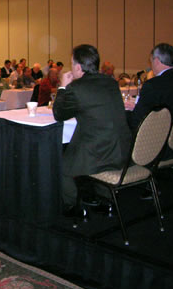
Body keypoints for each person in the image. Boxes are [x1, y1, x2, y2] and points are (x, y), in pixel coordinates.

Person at [53, 44, 131, 218]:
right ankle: (105, 200)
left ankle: (72, 207)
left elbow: (59, 114)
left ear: (78, 67)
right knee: (86, 142)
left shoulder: (77, 88)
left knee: (61, 166)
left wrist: (63, 87)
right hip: (122, 148)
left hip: (99, 152)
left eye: (72, 64)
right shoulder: (110, 82)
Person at [125, 43, 173, 130]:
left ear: (156, 61)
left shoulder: (152, 85)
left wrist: (124, 112)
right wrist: (137, 108)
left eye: (151, 61)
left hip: (156, 137)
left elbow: (136, 121)